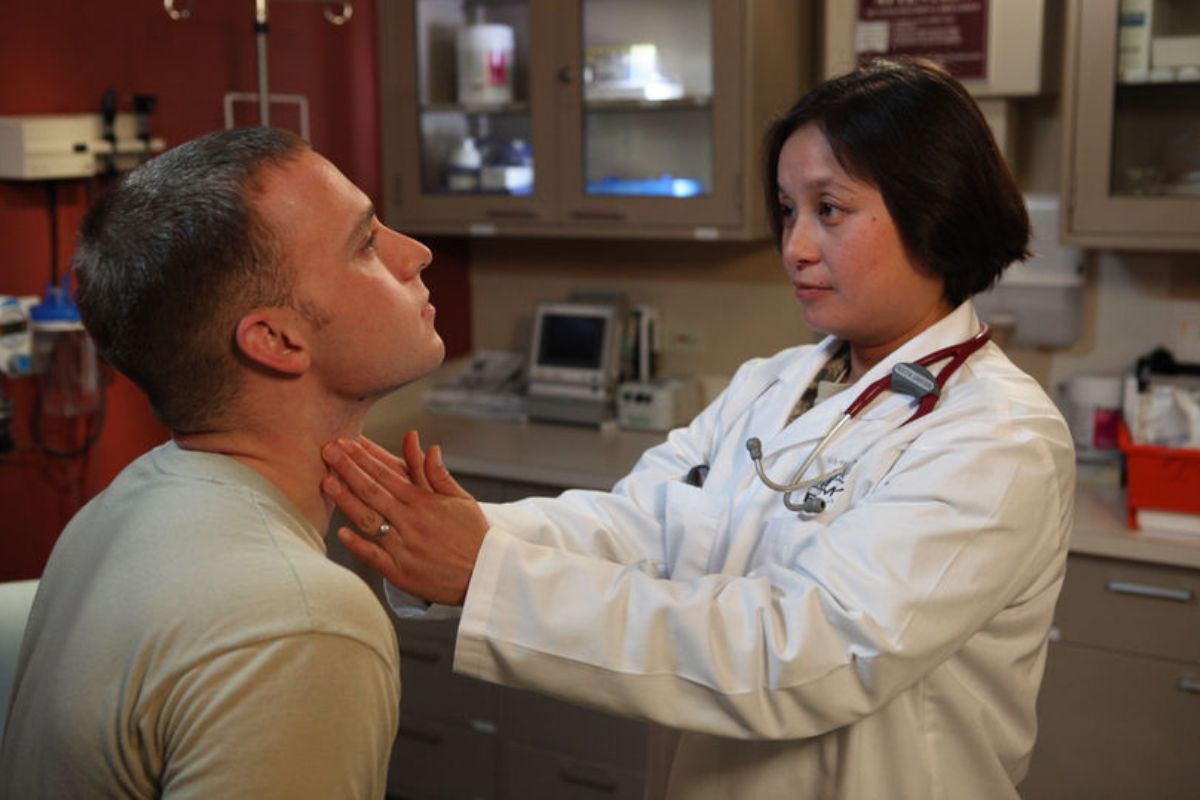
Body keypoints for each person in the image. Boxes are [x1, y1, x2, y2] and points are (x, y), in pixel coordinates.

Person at [322, 58, 1075, 799]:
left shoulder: (998, 439)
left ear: (934, 207)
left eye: (830, 209)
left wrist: (487, 574)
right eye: (788, 210)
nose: (796, 247)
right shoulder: (773, 385)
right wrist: (470, 535)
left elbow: (800, 656)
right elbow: (639, 527)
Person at [0, 127, 445, 797]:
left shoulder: (129, 500)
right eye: (366, 244)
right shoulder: (301, 624)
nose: (415, 254)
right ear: (275, 340)